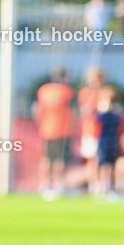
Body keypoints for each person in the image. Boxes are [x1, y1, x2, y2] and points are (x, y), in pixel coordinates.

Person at [32, 65, 74, 200]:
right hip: (63, 130)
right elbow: (74, 112)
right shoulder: (67, 91)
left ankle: (45, 185)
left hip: (47, 129)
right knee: (60, 160)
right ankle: (60, 186)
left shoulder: (43, 90)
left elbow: (37, 109)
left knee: (47, 159)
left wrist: (40, 124)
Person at [77, 66, 106, 193]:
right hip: (90, 131)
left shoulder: (105, 93)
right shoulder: (86, 93)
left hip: (103, 132)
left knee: (101, 159)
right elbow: (85, 109)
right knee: (92, 159)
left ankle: (100, 185)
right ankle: (93, 185)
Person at [94, 86, 122, 196]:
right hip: (104, 139)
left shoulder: (114, 112)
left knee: (110, 164)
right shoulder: (103, 111)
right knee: (102, 163)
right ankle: (101, 186)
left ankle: (110, 187)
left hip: (111, 139)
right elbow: (97, 119)